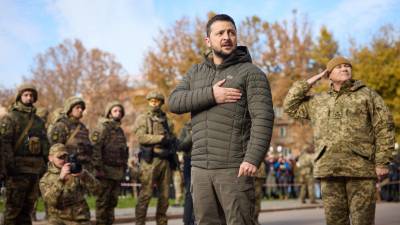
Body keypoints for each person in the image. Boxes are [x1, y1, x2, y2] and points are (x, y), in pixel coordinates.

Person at [168, 14, 274, 225]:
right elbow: (174, 102)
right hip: (199, 169)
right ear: (208, 40)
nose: (227, 37)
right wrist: (211, 95)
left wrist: (252, 158)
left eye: (231, 32)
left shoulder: (251, 73)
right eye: (220, 33)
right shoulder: (196, 72)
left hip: (233, 168)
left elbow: (263, 118)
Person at [283, 56, 395, 225]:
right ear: (329, 74)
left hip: (361, 170)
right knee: (335, 222)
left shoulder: (367, 95)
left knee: (362, 222)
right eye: (339, 67)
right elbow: (289, 106)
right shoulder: (318, 101)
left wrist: (382, 162)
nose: (344, 69)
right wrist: (311, 81)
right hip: (330, 170)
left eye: (347, 66)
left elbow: (384, 127)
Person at [0, 83, 49, 225]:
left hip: (34, 170)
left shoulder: (38, 121)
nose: (29, 98)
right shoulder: (10, 118)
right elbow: (5, 144)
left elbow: (45, 144)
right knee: (12, 210)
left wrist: (47, 165)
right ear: (19, 97)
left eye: (31, 95)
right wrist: (9, 167)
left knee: (27, 210)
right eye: (26, 95)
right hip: (17, 170)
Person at [133, 91, 176, 225]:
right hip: (150, 161)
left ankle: (162, 222)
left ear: (161, 103)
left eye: (157, 101)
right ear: (148, 102)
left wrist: (172, 142)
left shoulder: (167, 120)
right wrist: (160, 138)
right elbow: (141, 137)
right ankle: (140, 223)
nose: (154, 103)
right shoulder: (143, 118)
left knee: (165, 197)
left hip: (165, 160)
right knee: (145, 195)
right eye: (151, 101)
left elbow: (173, 137)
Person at [39, 143, 99, 224]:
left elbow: (98, 190)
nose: (63, 160)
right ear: (50, 158)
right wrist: (60, 180)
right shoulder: (46, 179)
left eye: (65, 157)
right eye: (60, 157)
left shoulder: (75, 171)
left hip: (80, 220)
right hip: (59, 221)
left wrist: (84, 175)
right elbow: (50, 201)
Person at [90, 101, 129, 225]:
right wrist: (98, 168)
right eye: (115, 111)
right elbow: (96, 148)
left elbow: (123, 151)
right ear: (109, 113)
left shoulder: (119, 131)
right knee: (102, 202)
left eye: (120, 111)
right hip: (105, 172)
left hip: (117, 172)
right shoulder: (103, 127)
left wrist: (124, 167)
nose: (118, 113)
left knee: (112, 202)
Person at [48, 97, 93, 171]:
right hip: (68, 167)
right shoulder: (61, 125)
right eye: (77, 108)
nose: (81, 110)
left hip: (84, 169)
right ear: (69, 109)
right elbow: (55, 149)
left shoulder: (83, 127)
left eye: (81, 108)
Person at [177, 121, 195, 225]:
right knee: (189, 191)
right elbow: (180, 146)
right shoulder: (186, 128)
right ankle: (188, 221)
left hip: (206, 160)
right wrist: (192, 135)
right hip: (190, 160)